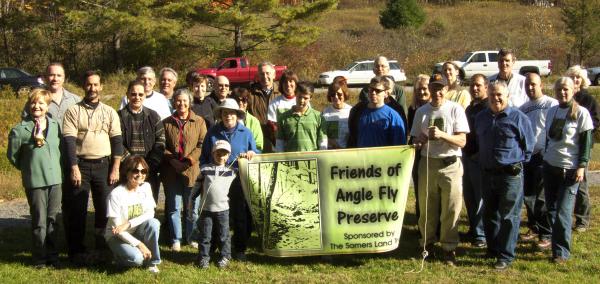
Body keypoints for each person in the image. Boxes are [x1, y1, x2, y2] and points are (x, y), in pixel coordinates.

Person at [62, 71, 123, 263]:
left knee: (105, 209)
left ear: (101, 86)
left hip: (104, 166)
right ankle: (75, 250)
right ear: (83, 86)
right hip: (81, 165)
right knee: (77, 210)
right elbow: (69, 142)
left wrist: (115, 167)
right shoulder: (73, 111)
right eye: (89, 85)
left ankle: (102, 247)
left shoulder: (110, 111)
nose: (92, 88)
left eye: (96, 85)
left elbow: (117, 141)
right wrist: (73, 167)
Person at [410, 75, 469, 266]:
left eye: (440, 88)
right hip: (428, 164)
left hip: (450, 165)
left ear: (446, 89)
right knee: (427, 209)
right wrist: (420, 140)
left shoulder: (455, 109)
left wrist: (443, 135)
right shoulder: (421, 111)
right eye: (434, 88)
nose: (437, 92)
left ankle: (449, 248)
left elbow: (462, 141)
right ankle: (426, 245)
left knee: (450, 210)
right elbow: (414, 141)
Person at [475, 81, 534, 270]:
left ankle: (506, 255)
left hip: (510, 176)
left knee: (509, 216)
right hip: (487, 173)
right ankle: (492, 249)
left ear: (507, 96)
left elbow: (529, 147)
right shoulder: (481, 117)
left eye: (499, 94)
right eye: (492, 94)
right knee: (489, 213)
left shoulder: (518, 117)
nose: (495, 98)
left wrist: (513, 163)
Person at [8, 89, 62, 268]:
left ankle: (53, 256)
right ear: (28, 105)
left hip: (55, 180)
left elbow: (58, 150)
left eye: (41, 103)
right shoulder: (20, 130)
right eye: (33, 103)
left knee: (53, 219)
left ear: (47, 106)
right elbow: (13, 156)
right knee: (40, 221)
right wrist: (29, 168)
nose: (36, 106)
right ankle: (40, 258)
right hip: (35, 181)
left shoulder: (55, 125)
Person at [201, 98, 258, 261]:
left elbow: (255, 152)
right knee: (213, 214)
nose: (228, 116)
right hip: (216, 179)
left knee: (239, 214)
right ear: (220, 114)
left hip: (238, 180)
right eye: (225, 113)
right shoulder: (212, 132)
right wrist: (206, 172)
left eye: (231, 113)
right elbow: (204, 157)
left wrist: (252, 154)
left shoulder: (246, 132)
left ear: (237, 115)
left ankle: (239, 249)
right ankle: (211, 249)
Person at [543, 77, 593, 263]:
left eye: (566, 89)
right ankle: (555, 243)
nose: (562, 93)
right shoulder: (552, 112)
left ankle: (561, 252)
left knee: (563, 212)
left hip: (569, 170)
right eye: (559, 90)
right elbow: (549, 140)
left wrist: (582, 166)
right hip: (550, 167)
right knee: (552, 210)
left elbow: (586, 143)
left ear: (573, 90)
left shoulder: (582, 113)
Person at [161, 89, 207, 251]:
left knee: (191, 208)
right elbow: (161, 146)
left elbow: (202, 144)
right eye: (178, 101)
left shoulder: (199, 121)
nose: (182, 104)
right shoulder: (166, 122)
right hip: (171, 170)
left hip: (192, 170)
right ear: (174, 102)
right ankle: (176, 239)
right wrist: (173, 161)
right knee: (174, 207)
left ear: (190, 102)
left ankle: (191, 237)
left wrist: (188, 161)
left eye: (185, 101)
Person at [518, 73, 557, 249]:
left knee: (542, 198)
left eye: (533, 84)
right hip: (527, 156)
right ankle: (533, 227)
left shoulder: (550, 104)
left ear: (541, 84)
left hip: (543, 155)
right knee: (528, 196)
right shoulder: (523, 107)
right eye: (527, 85)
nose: (530, 87)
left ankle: (546, 233)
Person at [105, 156, 161, 273]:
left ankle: (152, 262)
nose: (140, 174)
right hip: (117, 237)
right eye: (135, 171)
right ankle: (116, 257)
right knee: (137, 259)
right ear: (126, 172)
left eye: (143, 171)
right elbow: (118, 230)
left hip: (135, 231)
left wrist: (129, 223)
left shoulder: (146, 187)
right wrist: (140, 245)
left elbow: (150, 213)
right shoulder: (115, 195)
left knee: (154, 223)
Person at [118, 80, 166, 203]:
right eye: (133, 94)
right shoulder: (118, 116)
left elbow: (161, 141)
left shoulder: (154, 116)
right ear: (127, 95)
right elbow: (116, 142)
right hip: (126, 170)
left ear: (145, 95)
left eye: (140, 94)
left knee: (148, 206)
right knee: (127, 206)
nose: (137, 97)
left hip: (149, 171)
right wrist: (132, 164)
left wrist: (148, 165)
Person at [565, 65, 599, 232]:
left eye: (578, 77)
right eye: (572, 77)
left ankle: (582, 220)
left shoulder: (589, 100)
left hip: (583, 146)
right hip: (566, 147)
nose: (575, 80)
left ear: (583, 80)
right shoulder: (563, 98)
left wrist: (582, 133)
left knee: (582, 183)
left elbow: (595, 122)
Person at [196, 140, 237, 269]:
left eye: (224, 154)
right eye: (218, 153)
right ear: (213, 153)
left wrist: (243, 157)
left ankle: (225, 256)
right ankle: (203, 258)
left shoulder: (232, 171)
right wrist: (191, 202)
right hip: (206, 210)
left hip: (223, 210)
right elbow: (196, 188)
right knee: (205, 236)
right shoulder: (204, 170)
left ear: (228, 156)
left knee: (224, 235)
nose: (221, 157)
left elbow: (245, 166)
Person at [462, 74, 489, 248]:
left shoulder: (489, 108)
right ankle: (473, 228)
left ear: (486, 86)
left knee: (480, 198)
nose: (475, 88)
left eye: (478, 85)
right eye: (472, 85)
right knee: (469, 196)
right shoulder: (469, 109)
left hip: (481, 159)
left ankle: (481, 234)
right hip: (467, 157)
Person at [349, 76, 406, 147]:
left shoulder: (393, 116)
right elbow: (352, 138)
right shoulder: (358, 112)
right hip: (362, 157)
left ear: (386, 94)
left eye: (377, 90)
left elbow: (399, 145)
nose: (373, 93)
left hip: (384, 157)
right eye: (371, 89)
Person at [275, 83, 327, 152]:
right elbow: (280, 144)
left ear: (310, 98)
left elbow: (322, 142)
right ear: (295, 95)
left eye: (305, 98)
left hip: (312, 160)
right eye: (299, 97)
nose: (302, 100)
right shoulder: (283, 117)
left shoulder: (318, 117)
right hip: (291, 160)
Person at [407, 74, 432, 220]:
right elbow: (412, 131)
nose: (421, 92)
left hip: (433, 151)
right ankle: (420, 218)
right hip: (418, 151)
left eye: (424, 89)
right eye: (418, 90)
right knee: (419, 187)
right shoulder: (412, 109)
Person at [246, 62, 280, 152]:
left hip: (279, 138)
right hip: (258, 139)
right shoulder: (250, 94)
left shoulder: (282, 92)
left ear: (274, 75)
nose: (265, 76)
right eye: (262, 74)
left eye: (267, 73)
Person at [322, 76, 352, 149]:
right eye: (333, 95)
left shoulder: (351, 111)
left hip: (347, 151)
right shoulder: (325, 113)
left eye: (339, 94)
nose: (336, 97)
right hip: (330, 151)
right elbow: (321, 134)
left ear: (344, 94)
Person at [267, 70, 300, 134]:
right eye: (285, 82)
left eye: (291, 81)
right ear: (281, 85)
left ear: (296, 84)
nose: (288, 84)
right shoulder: (274, 103)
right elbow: (272, 124)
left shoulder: (302, 101)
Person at [231, 87, 264, 151]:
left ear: (247, 102)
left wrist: (252, 153)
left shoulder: (254, 121)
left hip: (249, 159)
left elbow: (259, 146)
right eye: (237, 100)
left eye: (244, 100)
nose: (240, 103)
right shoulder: (226, 119)